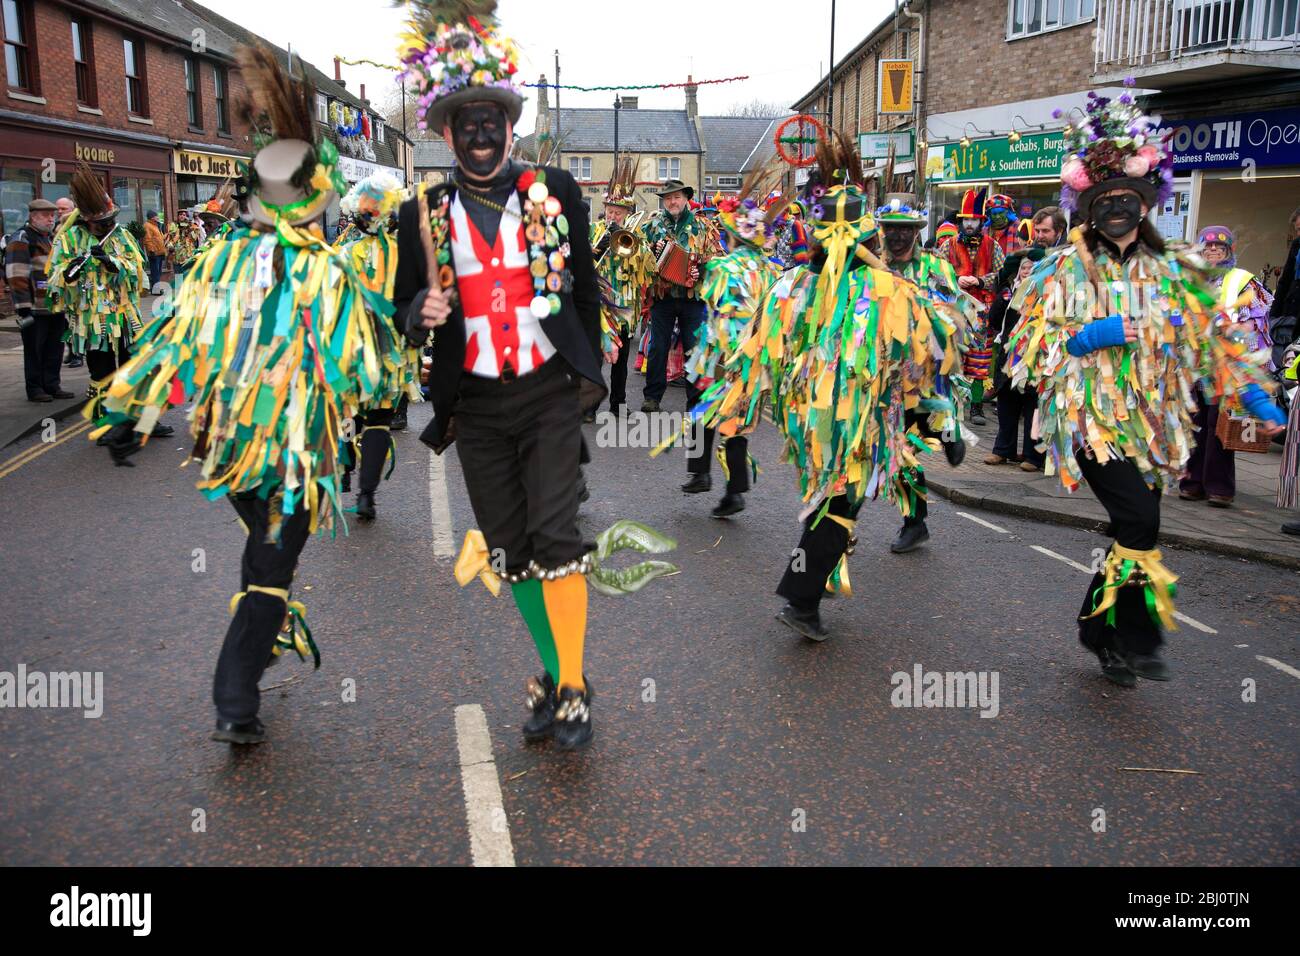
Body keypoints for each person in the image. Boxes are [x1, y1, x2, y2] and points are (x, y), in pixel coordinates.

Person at [90, 44, 402, 745]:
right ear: (313, 198)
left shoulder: (214, 263)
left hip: (228, 449)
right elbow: (368, 369)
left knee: (262, 551)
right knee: (269, 564)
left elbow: (169, 343)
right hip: (293, 455)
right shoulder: (327, 272)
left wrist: (125, 416)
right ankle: (235, 698)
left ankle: (257, 654)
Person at [392, 0, 676, 751]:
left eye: (494, 121)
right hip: (476, 407)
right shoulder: (419, 212)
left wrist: (592, 357)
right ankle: (553, 676)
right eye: (467, 123)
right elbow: (399, 307)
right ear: (446, 132)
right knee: (511, 549)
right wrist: (419, 306)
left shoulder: (555, 193)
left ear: (510, 126)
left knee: (558, 540)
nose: (482, 134)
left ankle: (575, 688)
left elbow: (583, 285)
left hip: (548, 392)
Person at [1004, 87, 1285, 688]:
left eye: (1127, 199)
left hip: (1156, 427)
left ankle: (1098, 631)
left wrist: (1258, 400)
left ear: (1146, 202)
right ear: (1088, 205)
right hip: (1092, 423)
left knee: (1137, 526)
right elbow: (1027, 352)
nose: (1116, 210)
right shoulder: (1065, 267)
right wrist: (1090, 334)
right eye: (1104, 200)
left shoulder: (1178, 267)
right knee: (1140, 521)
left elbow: (1217, 345)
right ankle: (1137, 639)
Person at [696, 134, 966, 640]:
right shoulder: (875, 287)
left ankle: (809, 586)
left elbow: (921, 358)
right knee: (840, 501)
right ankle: (801, 597)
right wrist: (940, 419)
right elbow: (922, 362)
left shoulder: (803, 284)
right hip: (841, 421)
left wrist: (939, 419)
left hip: (829, 420)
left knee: (834, 500)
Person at [680, 168, 787, 519]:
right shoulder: (774, 271)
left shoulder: (723, 268)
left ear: (731, 236)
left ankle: (703, 474)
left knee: (699, 410)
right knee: (735, 422)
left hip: (721, 357)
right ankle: (732, 488)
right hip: (757, 359)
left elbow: (712, 307)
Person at [876, 190, 977, 553]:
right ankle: (915, 522)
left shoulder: (935, 268)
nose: (898, 235)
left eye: (905, 230)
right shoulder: (873, 268)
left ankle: (949, 431)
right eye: (891, 228)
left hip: (924, 377)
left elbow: (955, 317)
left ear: (917, 231)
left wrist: (922, 314)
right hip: (884, 378)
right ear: (882, 230)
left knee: (905, 447)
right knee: (898, 450)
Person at [338, 173, 420, 521]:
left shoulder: (345, 255)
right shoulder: (406, 256)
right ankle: (366, 493)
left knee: (348, 410)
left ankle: (346, 466)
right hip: (391, 351)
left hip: (351, 347)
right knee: (380, 419)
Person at [1179, 226, 1274, 508]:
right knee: (1194, 424)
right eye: (1207, 247)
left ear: (1228, 251)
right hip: (1194, 364)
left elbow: (1256, 323)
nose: (1212, 252)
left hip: (1227, 365)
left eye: (1218, 248)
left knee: (1220, 426)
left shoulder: (1242, 280)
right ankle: (1192, 483)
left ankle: (1219, 487)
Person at [639, 178, 721, 419]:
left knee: (694, 348)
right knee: (658, 347)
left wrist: (701, 272)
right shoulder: (652, 226)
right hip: (662, 296)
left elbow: (716, 258)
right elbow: (640, 258)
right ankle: (652, 398)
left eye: (676, 197)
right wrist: (650, 257)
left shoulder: (702, 226)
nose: (672, 201)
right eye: (668, 198)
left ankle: (695, 401)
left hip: (692, 298)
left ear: (686, 199)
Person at [591, 154, 652, 416]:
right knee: (594, 359)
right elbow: (580, 264)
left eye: (618, 212)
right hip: (599, 305)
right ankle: (589, 406)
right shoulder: (594, 230)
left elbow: (648, 267)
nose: (612, 215)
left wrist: (631, 244)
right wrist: (596, 249)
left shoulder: (637, 235)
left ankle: (618, 404)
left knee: (621, 361)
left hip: (625, 305)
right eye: (610, 210)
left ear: (628, 214)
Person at [939, 188, 1005, 425]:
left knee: (979, 360)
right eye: (966, 219)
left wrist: (980, 281)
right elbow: (936, 273)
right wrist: (954, 280)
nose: (969, 224)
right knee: (953, 359)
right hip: (954, 311)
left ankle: (976, 407)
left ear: (981, 221)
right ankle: (951, 407)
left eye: (973, 220)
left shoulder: (993, 246)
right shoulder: (948, 245)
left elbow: (1001, 274)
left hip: (981, 313)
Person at [6, 199, 72, 403]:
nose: (51, 219)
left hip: (55, 306)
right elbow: (16, 274)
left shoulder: (51, 238)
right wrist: (23, 308)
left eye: (52, 215)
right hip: (34, 308)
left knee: (55, 348)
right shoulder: (22, 238)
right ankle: (35, 388)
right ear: (33, 216)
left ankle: (52, 385)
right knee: (35, 350)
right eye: (46, 215)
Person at [985, 248, 1046, 470]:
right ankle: (1003, 450)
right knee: (1006, 403)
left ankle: (1033, 456)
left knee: (1032, 405)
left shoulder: (1045, 292)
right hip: (1008, 354)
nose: (1026, 271)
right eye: (1023, 268)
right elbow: (994, 319)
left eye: (1031, 268)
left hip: (1034, 355)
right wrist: (1003, 300)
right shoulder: (1010, 292)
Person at [142, 211, 166, 291]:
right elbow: (147, 239)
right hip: (154, 253)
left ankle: (156, 288)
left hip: (159, 252)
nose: (158, 218)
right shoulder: (147, 226)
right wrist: (151, 251)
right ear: (152, 217)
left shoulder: (155, 225)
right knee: (155, 272)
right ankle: (156, 290)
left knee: (158, 272)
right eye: (156, 216)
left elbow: (159, 238)